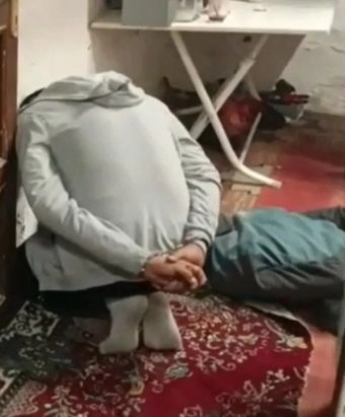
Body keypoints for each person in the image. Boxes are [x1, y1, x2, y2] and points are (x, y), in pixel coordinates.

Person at [16, 72, 221, 353]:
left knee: (31, 257)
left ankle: (119, 301)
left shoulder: (34, 116)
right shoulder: (152, 104)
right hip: (180, 259)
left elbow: (49, 204)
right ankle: (151, 297)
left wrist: (142, 262)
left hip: (141, 267)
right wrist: (198, 242)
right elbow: (204, 173)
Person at [202, 206, 345, 335]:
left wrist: (291, 225)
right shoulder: (339, 275)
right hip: (234, 254)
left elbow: (339, 214)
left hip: (253, 223)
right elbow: (262, 281)